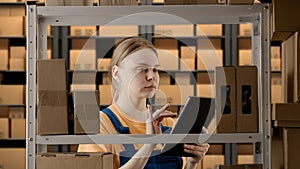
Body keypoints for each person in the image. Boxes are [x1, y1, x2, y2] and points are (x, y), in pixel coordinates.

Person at [78, 37, 210, 169]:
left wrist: (192, 163)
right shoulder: (99, 126)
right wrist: (149, 145)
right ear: (116, 73)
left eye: (155, 69)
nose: (151, 76)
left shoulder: (167, 124)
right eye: (141, 69)